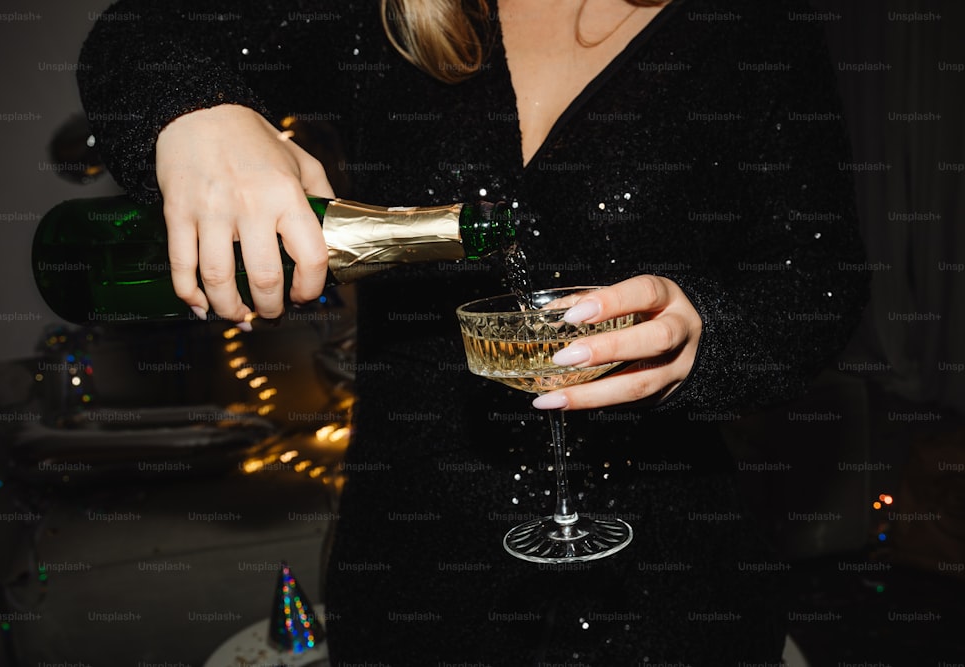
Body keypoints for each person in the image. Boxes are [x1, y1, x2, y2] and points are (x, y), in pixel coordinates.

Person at [78, 0, 869, 663]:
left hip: (675, 579)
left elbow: (818, 288)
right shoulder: (386, 15)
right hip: (412, 567)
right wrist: (199, 116)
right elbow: (142, 31)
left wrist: (704, 336)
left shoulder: (758, 30)